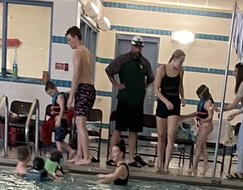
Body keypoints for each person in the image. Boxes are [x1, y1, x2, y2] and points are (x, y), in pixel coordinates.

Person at [105, 37, 154, 167]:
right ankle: (111, 156)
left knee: (134, 131)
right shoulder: (122, 59)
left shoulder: (145, 63)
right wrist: (116, 84)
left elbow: (151, 78)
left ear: (142, 48)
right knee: (118, 129)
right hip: (124, 99)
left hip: (137, 102)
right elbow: (109, 71)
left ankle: (131, 158)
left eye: (139, 47)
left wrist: (142, 88)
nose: (137, 49)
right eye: (135, 47)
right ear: (131, 46)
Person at [66, 27, 96, 166]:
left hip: (83, 89)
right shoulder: (88, 52)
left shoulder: (77, 52)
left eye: (69, 39)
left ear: (76, 37)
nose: (69, 43)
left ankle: (87, 157)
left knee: (81, 125)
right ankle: (79, 155)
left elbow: (77, 74)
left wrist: (71, 95)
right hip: (90, 89)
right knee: (79, 125)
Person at [154, 50, 186, 173]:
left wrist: (182, 97)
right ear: (174, 58)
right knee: (161, 136)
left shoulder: (181, 71)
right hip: (163, 103)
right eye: (181, 61)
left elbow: (180, 86)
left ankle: (166, 165)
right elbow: (156, 90)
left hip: (175, 104)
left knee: (171, 135)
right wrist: (166, 102)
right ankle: (159, 163)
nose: (181, 64)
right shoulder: (162, 69)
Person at [184, 84, 216, 177]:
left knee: (198, 146)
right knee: (203, 147)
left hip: (206, 126)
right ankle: (206, 165)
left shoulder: (208, 103)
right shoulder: (202, 102)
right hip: (202, 126)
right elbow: (197, 113)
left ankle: (193, 167)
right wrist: (184, 117)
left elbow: (210, 117)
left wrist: (203, 120)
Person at [42, 80, 68, 148]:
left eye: (51, 92)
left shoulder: (60, 96)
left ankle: (62, 154)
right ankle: (70, 151)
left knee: (58, 140)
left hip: (62, 121)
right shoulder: (57, 96)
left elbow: (62, 109)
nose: (51, 95)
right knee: (58, 140)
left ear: (55, 88)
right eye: (49, 94)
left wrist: (59, 119)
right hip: (59, 120)